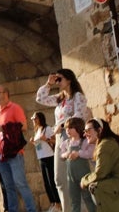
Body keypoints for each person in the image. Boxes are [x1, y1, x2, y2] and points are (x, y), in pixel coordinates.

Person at [35, 69, 89, 212]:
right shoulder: (60, 99)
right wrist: (48, 84)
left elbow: (79, 116)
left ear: (69, 80)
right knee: (59, 179)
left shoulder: (77, 96)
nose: (57, 81)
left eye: (60, 79)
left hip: (73, 138)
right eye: (56, 79)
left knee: (75, 178)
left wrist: (63, 125)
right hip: (60, 139)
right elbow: (40, 98)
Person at [0, 85, 37, 212]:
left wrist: (4, 128)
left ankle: (31, 210)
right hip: (1, 154)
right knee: (8, 186)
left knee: (21, 184)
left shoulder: (15, 108)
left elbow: (23, 126)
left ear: (6, 94)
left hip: (14, 153)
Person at [59, 117, 95, 212]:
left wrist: (78, 153)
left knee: (88, 198)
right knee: (74, 200)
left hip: (84, 176)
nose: (67, 130)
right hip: (71, 177)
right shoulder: (66, 143)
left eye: (70, 128)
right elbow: (61, 155)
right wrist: (65, 154)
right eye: (66, 128)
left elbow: (90, 153)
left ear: (78, 128)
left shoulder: (85, 142)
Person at [29, 112, 61, 212]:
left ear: (40, 119)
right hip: (42, 158)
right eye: (33, 119)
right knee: (46, 183)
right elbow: (40, 145)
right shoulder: (38, 130)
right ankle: (53, 203)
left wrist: (46, 139)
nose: (34, 120)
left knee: (52, 181)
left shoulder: (47, 129)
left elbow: (55, 141)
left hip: (49, 157)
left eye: (35, 118)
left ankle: (58, 204)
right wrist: (34, 142)